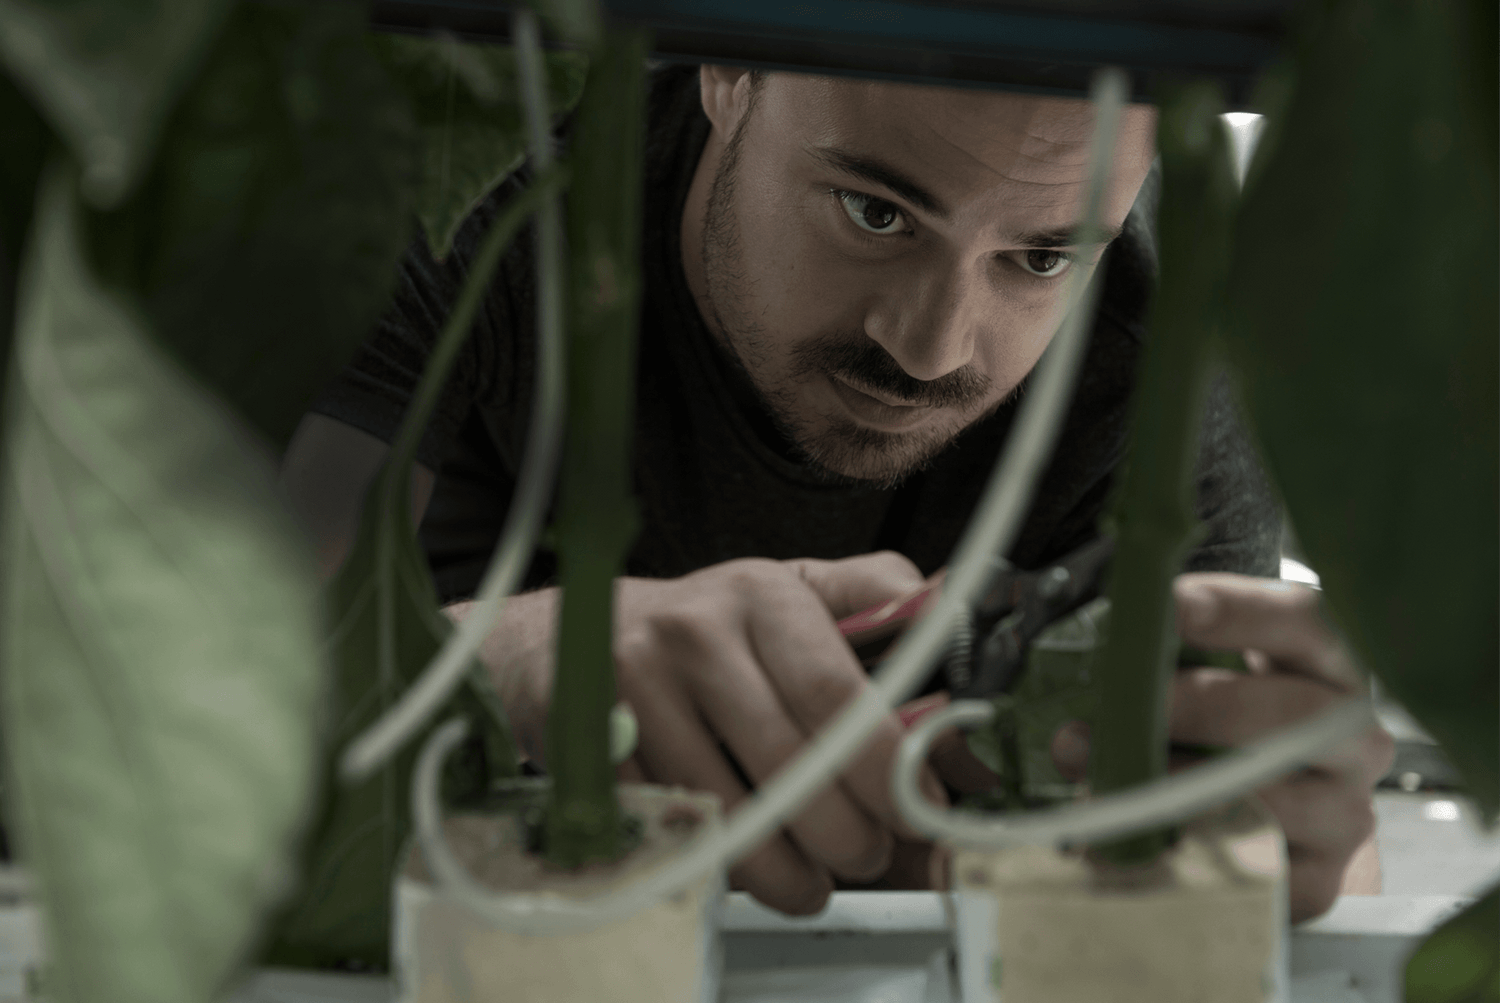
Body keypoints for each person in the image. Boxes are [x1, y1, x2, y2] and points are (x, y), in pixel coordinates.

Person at [280, 64, 1393, 924]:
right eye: (875, 213)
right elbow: (208, 686)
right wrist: (511, 656)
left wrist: (1286, 825)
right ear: (727, 73)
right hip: (429, 903)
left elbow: (1323, 862)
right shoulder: (472, 183)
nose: (929, 347)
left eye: (1041, 258)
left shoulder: (1166, 333)